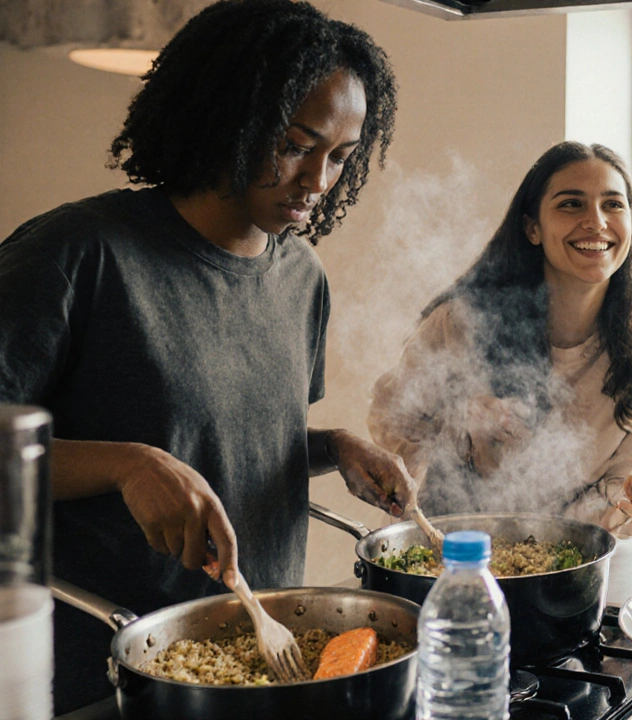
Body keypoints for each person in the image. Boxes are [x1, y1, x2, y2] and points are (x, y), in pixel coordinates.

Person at [0, 0, 414, 712]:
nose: (318, 181)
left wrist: (332, 446)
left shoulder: (300, 277)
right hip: (97, 677)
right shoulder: (77, 253)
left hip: (258, 666)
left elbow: (231, 439)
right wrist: (126, 464)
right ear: (230, 117)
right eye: (294, 144)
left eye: (340, 158)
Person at [368, 142, 632, 538]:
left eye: (614, 205)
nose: (597, 222)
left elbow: (623, 484)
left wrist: (631, 500)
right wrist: (460, 427)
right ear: (532, 227)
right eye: (571, 204)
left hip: (559, 565)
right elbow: (388, 419)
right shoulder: (463, 321)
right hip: (438, 550)